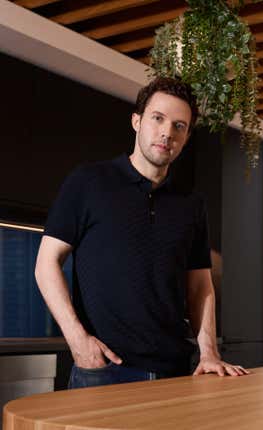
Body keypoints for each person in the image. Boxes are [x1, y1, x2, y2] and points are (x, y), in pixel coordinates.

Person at [35, 77, 249, 388]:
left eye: (179, 126)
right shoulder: (88, 183)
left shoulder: (191, 203)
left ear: (187, 136)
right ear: (137, 121)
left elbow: (200, 286)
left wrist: (209, 352)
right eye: (158, 119)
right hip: (103, 370)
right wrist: (78, 341)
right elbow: (45, 264)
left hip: (174, 371)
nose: (167, 132)